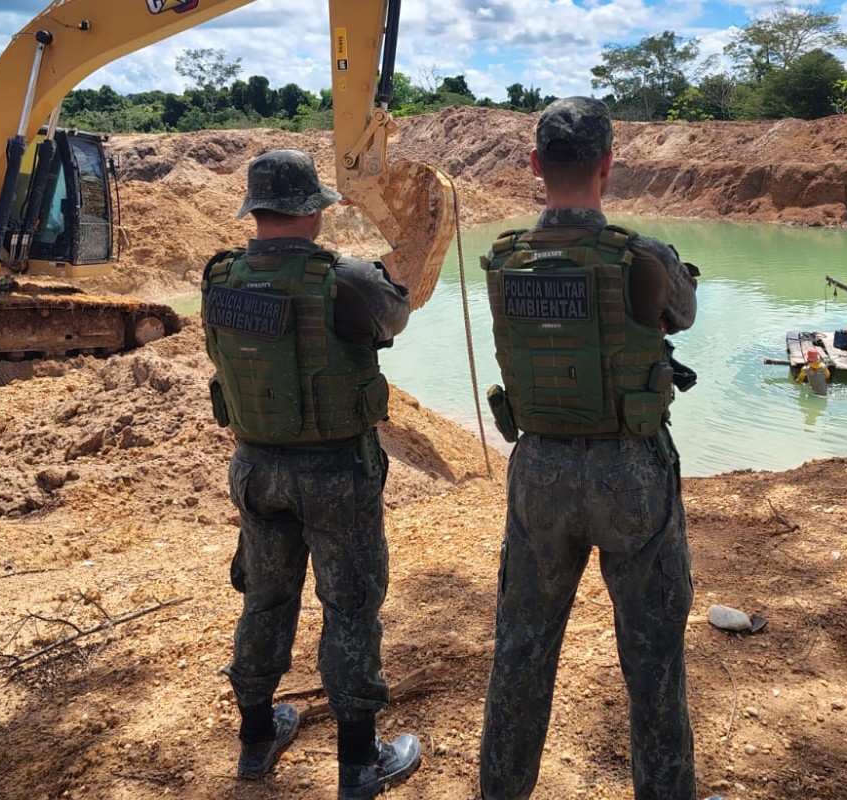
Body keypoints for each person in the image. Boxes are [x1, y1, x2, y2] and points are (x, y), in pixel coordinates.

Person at [478, 97, 723, 800]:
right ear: (607, 168)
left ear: (534, 166)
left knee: (521, 653)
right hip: (630, 471)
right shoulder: (641, 258)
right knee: (653, 665)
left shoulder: (503, 261)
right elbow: (684, 312)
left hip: (540, 468)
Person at [201, 149, 421, 799]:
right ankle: (358, 761)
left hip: (257, 467)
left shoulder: (221, 279)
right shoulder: (345, 280)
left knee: (265, 598)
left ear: (256, 209)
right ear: (312, 211)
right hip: (335, 473)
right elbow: (397, 315)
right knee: (349, 607)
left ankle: (257, 736)